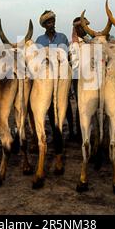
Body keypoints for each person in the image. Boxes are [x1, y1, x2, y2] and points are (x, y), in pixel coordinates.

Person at [35, 10, 76, 140]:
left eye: (52, 21)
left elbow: (68, 57)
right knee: (51, 106)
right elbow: (38, 61)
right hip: (48, 79)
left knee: (67, 104)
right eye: (48, 22)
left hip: (63, 76)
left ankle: (71, 131)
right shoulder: (39, 40)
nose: (51, 24)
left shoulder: (62, 37)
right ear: (44, 25)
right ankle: (55, 132)